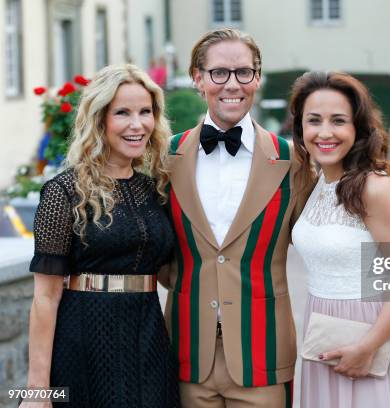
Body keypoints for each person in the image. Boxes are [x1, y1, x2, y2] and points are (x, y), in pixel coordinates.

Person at [157, 28, 308, 407]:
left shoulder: (293, 162)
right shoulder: (165, 159)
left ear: (257, 77)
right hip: (188, 353)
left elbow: (327, 245)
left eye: (243, 72)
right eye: (219, 72)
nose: (232, 84)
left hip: (265, 355)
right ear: (198, 78)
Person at [23, 64, 178, 407]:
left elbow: (171, 271)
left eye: (145, 112)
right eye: (122, 113)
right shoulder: (63, 192)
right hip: (84, 340)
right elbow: (45, 298)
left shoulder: (155, 189)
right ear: (99, 120)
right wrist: (36, 393)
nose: (137, 124)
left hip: (149, 339)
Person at [290, 71, 390, 408]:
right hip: (323, 331)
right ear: (300, 129)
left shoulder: (375, 188)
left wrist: (369, 344)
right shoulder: (314, 183)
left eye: (338, 121)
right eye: (314, 121)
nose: (325, 132)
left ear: (358, 128)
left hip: (370, 337)